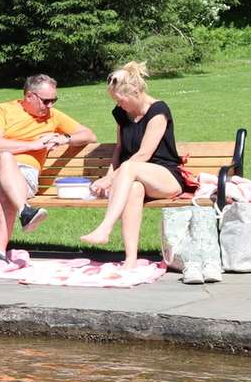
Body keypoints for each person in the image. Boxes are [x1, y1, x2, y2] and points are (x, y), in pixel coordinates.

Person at [80, 62, 198, 269]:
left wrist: (110, 179)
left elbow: (143, 154)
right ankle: (130, 259)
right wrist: (110, 175)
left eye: (121, 100)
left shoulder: (158, 111)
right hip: (133, 177)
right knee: (133, 188)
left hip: (165, 176)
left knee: (129, 167)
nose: (119, 104)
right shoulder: (121, 114)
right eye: (115, 100)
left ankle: (105, 228)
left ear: (135, 92)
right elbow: (119, 149)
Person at [0, 75, 96, 262]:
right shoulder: (3, 110)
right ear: (30, 96)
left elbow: (89, 135)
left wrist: (65, 139)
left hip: (24, 177)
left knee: (3, 185)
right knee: (6, 158)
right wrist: (33, 145)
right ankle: (25, 210)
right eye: (46, 101)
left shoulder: (53, 116)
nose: (50, 106)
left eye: (54, 100)